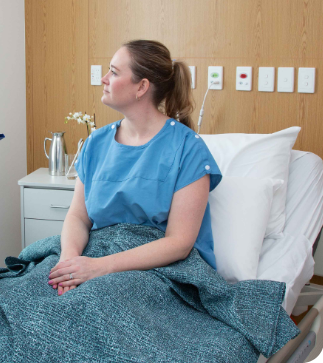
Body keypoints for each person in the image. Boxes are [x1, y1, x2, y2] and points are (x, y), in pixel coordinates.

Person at [48, 40, 222, 296]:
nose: (104, 79)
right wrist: (69, 263)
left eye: (114, 72)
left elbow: (179, 243)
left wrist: (98, 268)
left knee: (92, 302)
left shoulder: (188, 148)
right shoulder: (96, 143)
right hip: (94, 255)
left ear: (141, 87)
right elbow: (78, 217)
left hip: (158, 270)